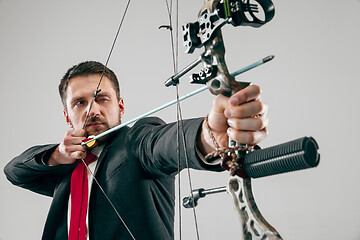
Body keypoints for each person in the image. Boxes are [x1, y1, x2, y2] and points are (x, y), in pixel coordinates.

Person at [4, 61, 268, 240]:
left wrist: (209, 135)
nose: (93, 110)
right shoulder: (64, 167)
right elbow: (14, 171)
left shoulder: (136, 142)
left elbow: (163, 144)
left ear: (120, 107)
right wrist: (57, 155)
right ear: (67, 116)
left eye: (101, 98)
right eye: (80, 102)